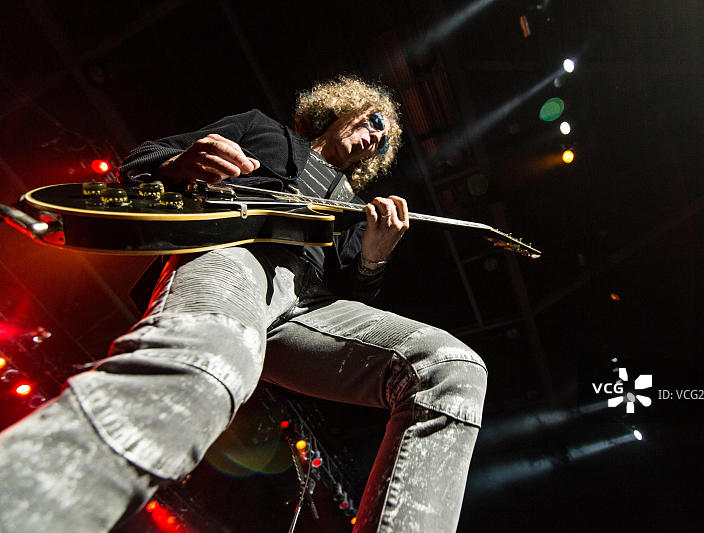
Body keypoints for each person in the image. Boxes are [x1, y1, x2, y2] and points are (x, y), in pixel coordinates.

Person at [0, 76, 487, 533]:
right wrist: (178, 164)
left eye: (383, 142)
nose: (376, 138)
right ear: (345, 108)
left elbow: (353, 300)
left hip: (309, 307)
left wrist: (373, 260)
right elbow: (142, 159)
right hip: (239, 255)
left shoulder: (355, 209)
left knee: (451, 370)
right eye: (375, 122)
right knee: (211, 361)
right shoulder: (262, 130)